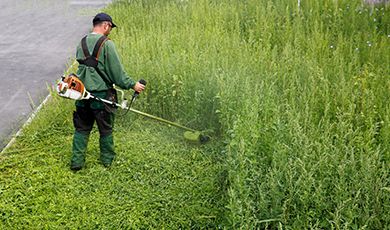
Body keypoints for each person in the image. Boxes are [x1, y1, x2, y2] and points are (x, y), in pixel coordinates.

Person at [70, 12, 145, 171]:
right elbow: (117, 73)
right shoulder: (106, 44)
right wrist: (133, 85)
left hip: (81, 94)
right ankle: (107, 161)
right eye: (110, 27)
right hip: (101, 96)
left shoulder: (81, 42)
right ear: (105, 25)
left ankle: (76, 162)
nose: (110, 30)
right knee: (105, 129)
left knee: (82, 128)